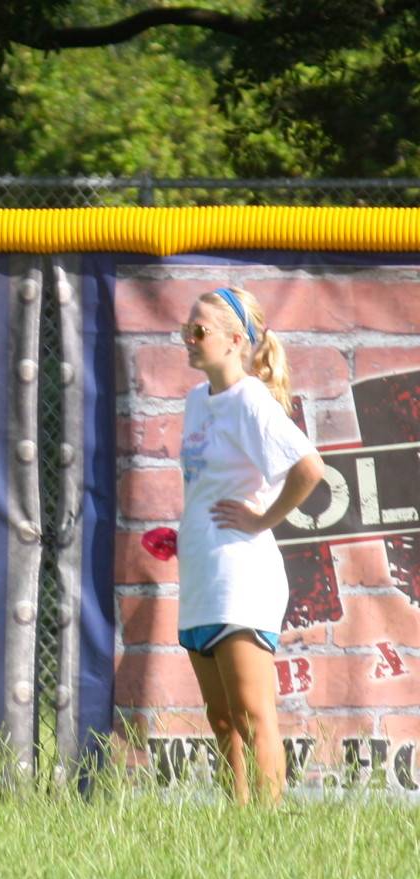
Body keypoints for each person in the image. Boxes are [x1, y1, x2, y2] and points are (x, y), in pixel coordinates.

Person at [177, 287, 324, 804]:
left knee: (252, 712)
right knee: (222, 721)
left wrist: (263, 518)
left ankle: (268, 825)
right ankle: (240, 828)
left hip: (241, 576)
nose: (189, 340)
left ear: (236, 340)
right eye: (185, 331)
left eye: (200, 331)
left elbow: (310, 468)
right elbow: (209, 487)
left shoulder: (250, 399)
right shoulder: (197, 401)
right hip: (201, 574)